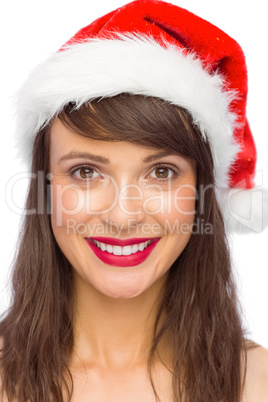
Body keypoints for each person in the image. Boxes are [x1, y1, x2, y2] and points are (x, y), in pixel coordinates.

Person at [0, 0, 268, 401]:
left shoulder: (258, 382)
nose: (123, 216)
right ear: (45, 188)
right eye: (86, 172)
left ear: (202, 194)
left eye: (161, 172)